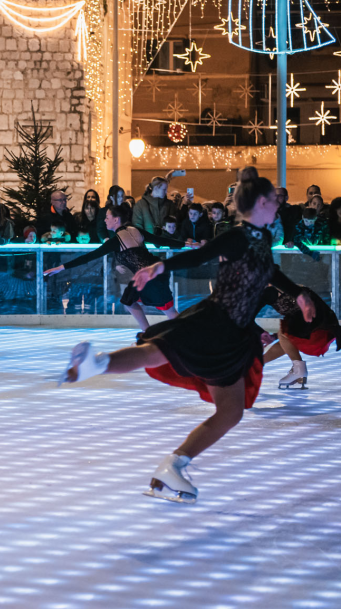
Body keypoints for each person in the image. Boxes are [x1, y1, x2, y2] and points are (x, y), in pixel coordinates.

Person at [60, 168, 314, 504]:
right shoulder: (238, 235)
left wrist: (297, 293)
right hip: (217, 321)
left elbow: (270, 271)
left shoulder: (260, 239)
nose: (278, 206)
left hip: (232, 332)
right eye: (273, 200)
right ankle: (98, 367)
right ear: (262, 202)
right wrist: (160, 267)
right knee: (161, 354)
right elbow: (200, 254)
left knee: (227, 409)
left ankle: (171, 465)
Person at [44, 204, 183, 331]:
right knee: (129, 301)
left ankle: (185, 336)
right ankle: (148, 333)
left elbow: (89, 257)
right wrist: (186, 244)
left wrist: (61, 267)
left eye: (107, 217)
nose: (105, 220)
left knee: (169, 311)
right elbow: (161, 241)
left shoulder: (116, 241)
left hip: (149, 278)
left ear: (116, 220)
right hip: (151, 273)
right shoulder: (135, 230)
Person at [259, 284, 340, 390]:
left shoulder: (268, 291)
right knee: (285, 338)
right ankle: (256, 364)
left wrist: (260, 332)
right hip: (324, 331)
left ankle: (299, 370)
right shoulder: (285, 286)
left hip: (317, 332)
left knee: (284, 332)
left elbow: (246, 318)